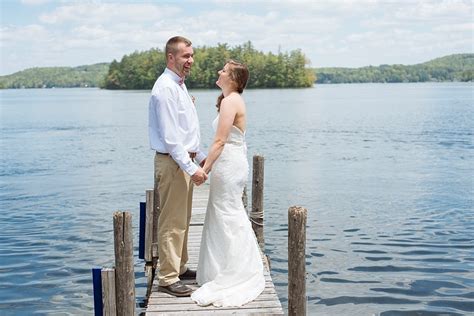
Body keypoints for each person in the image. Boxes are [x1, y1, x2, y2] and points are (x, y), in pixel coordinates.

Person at [190, 60, 265, 307]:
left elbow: (220, 141)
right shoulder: (229, 100)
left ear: (232, 78)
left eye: (223, 70)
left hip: (228, 164)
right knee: (223, 213)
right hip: (230, 162)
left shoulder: (230, 101)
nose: (218, 72)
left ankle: (237, 269)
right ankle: (220, 268)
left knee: (227, 214)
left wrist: (204, 169)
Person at [148, 36, 208, 297]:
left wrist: (201, 156)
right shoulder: (165, 89)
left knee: (182, 219)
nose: (190, 60)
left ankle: (179, 267)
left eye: (192, 55)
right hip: (173, 164)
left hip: (181, 161)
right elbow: (172, 139)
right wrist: (191, 168)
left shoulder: (179, 86)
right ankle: (168, 277)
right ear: (171, 57)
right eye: (186, 56)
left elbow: (185, 132)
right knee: (172, 222)